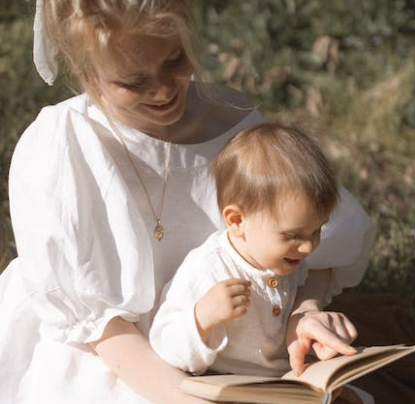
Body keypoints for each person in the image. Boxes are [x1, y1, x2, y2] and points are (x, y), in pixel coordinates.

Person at [0, 1, 376, 404]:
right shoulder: (63, 150)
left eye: (174, 59)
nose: (162, 90)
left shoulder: (233, 125)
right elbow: (100, 328)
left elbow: (308, 253)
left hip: (237, 352)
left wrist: (303, 314)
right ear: (88, 71)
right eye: (132, 81)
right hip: (117, 356)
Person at [150, 123, 356, 376]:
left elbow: (305, 290)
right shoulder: (208, 269)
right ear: (237, 221)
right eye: (293, 235)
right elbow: (165, 344)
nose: (308, 246)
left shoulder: (288, 260)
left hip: (284, 379)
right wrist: (202, 318)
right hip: (228, 384)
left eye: (317, 231)